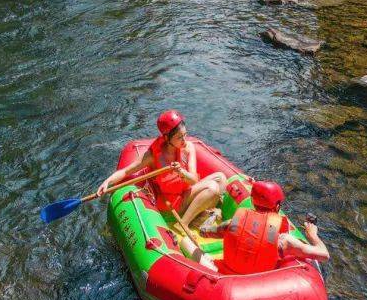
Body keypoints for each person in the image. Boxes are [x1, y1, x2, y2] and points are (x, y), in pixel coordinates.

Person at [96, 110, 226, 229]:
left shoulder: (188, 148)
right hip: (171, 203)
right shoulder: (152, 156)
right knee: (213, 188)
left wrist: (182, 172)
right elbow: (126, 171)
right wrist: (107, 182)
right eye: (179, 137)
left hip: (185, 190)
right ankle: (182, 224)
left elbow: (193, 180)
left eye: (185, 135)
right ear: (166, 138)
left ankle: (200, 213)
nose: (184, 140)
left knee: (221, 178)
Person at [197, 180, 330, 274]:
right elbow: (324, 255)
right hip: (258, 285)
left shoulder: (231, 224)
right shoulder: (284, 241)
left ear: (253, 203)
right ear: (277, 207)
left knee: (186, 242)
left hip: (227, 277)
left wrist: (214, 216)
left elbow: (203, 231)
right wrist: (313, 236)